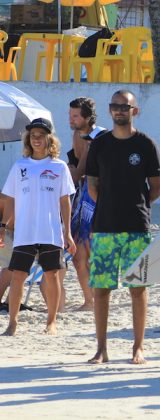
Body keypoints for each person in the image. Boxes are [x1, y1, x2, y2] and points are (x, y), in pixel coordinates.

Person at [85, 90, 160, 364]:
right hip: (104, 226)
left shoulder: (146, 145)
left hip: (136, 226)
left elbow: (156, 189)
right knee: (101, 289)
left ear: (135, 111)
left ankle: (138, 348)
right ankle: (101, 349)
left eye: (125, 107)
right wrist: (110, 205)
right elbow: (92, 185)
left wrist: (134, 205)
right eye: (115, 106)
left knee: (138, 288)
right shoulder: (100, 144)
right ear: (110, 110)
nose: (119, 111)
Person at [0, 117, 76, 336]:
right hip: (24, 232)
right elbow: (11, 199)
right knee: (17, 276)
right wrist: (3, 225)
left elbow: (65, 201)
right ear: (28, 138)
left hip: (50, 230)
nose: (36, 139)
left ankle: (51, 322)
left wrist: (67, 232)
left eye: (41, 135)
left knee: (52, 275)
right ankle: (12, 323)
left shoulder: (59, 166)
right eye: (33, 135)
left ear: (49, 138)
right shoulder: (20, 166)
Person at [67, 97, 107, 311]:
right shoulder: (78, 134)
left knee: (89, 250)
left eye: (75, 115)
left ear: (87, 117)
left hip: (95, 197)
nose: (71, 119)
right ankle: (90, 299)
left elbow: (79, 171)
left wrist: (66, 174)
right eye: (70, 114)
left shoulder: (97, 136)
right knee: (78, 253)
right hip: (83, 195)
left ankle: (95, 299)